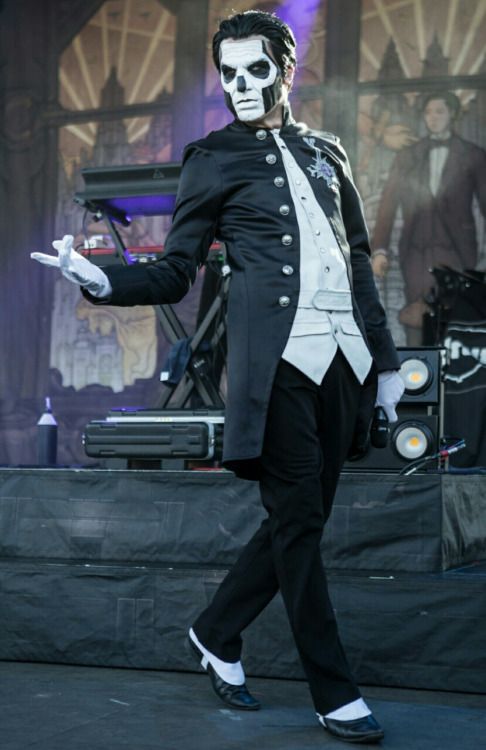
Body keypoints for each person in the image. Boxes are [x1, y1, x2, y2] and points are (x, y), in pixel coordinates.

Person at [32, 11, 404, 745]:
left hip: (345, 362)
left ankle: (215, 630)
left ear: (285, 69)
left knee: (299, 520)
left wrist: (386, 363)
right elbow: (177, 272)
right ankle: (336, 691)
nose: (240, 86)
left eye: (254, 70)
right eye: (228, 73)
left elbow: (358, 260)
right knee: (298, 524)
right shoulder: (212, 158)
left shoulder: (329, 152)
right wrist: (100, 281)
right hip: (277, 372)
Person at [371, 91, 486, 345]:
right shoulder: (408, 156)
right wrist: (379, 250)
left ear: (453, 115)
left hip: (457, 251)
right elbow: (388, 204)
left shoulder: (473, 155)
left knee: (454, 319)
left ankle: (454, 380)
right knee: (417, 317)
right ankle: (416, 378)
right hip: (416, 251)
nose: (432, 118)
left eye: (439, 112)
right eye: (428, 113)